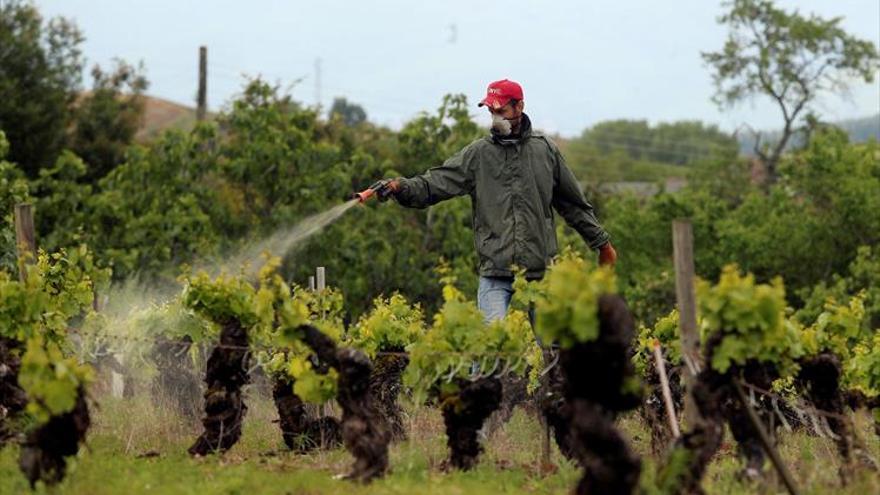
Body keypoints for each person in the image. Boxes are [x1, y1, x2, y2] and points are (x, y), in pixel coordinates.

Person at [376, 79, 616, 322]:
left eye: (501, 111)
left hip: (540, 270)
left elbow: (573, 204)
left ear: (519, 107)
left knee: (554, 347)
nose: (495, 118)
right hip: (495, 269)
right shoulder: (478, 154)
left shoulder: (544, 151)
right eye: (491, 112)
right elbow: (434, 183)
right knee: (492, 344)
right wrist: (400, 186)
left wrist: (601, 243)